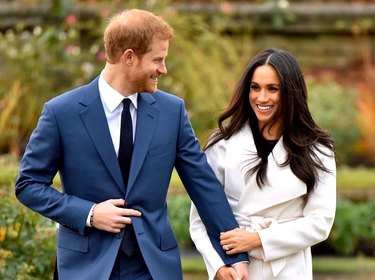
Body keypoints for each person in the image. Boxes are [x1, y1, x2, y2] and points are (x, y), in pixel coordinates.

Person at [15, 9, 249, 280]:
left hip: (153, 267)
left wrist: (235, 257)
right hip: (87, 267)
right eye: (158, 60)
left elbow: (204, 186)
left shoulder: (172, 111)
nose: (163, 69)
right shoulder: (61, 112)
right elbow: (28, 185)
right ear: (129, 57)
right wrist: (89, 213)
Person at [190, 48, 336, 280]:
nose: (262, 98)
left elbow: (320, 222)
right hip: (237, 267)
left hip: (288, 269)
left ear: (290, 93)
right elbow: (200, 218)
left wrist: (259, 239)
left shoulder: (317, 150)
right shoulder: (222, 145)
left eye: (273, 89)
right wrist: (218, 267)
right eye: (255, 87)